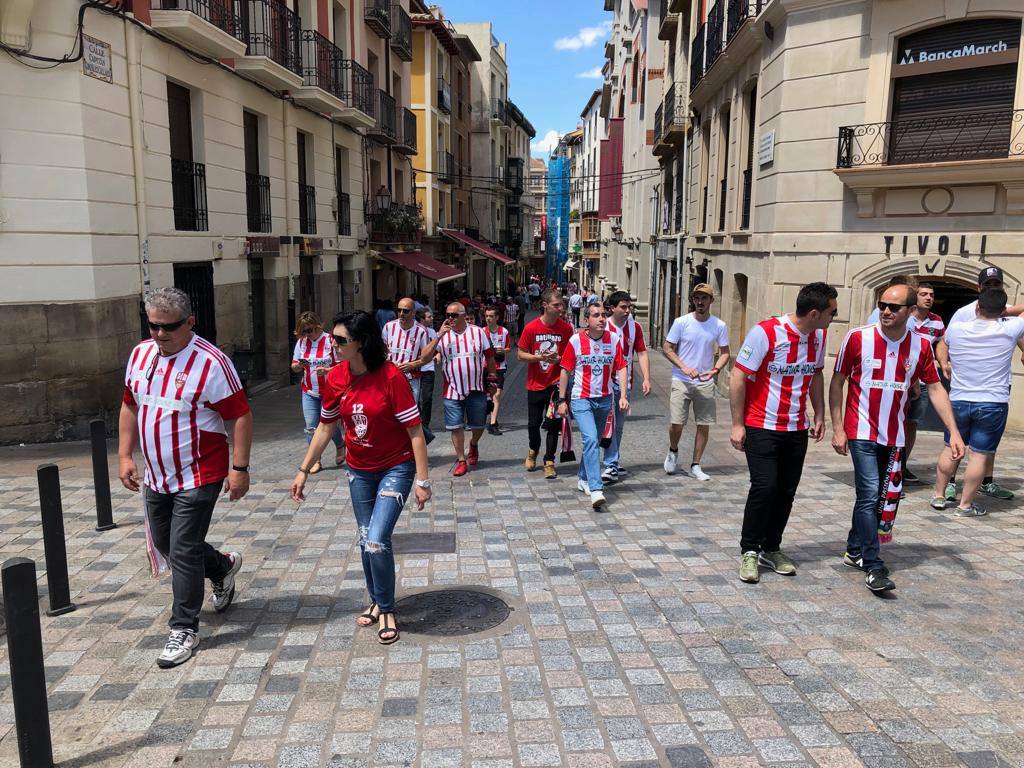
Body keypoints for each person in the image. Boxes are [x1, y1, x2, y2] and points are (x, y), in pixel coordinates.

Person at [118, 287, 251, 668]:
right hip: (157, 475)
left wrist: (239, 469)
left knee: (184, 548)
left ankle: (184, 628)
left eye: (170, 327)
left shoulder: (212, 363)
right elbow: (129, 404)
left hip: (200, 472)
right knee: (166, 543)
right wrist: (125, 454)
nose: (160, 334)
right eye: (154, 326)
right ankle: (223, 567)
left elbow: (240, 414)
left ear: (190, 322)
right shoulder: (141, 355)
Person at [291, 311, 430, 645]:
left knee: (377, 539)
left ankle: (386, 607)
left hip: (396, 466)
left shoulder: (391, 377)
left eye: (340, 340)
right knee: (365, 537)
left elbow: (415, 432)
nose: (333, 345)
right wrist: (303, 470)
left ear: (362, 342)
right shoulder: (335, 377)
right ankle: (376, 597)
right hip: (359, 470)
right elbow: (326, 426)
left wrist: (423, 481)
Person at [829, 284, 964, 594]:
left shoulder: (919, 345)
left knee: (874, 496)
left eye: (894, 307)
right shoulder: (858, 337)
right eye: (882, 305)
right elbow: (838, 382)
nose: (886, 311)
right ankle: (873, 564)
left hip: (895, 435)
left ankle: (853, 549)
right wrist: (838, 428)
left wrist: (954, 431)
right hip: (860, 429)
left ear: (911, 311)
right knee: (870, 494)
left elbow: (934, 388)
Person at [731, 283, 837, 584]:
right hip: (761, 425)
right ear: (815, 313)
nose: (834, 318)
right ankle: (749, 549)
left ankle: (771, 547)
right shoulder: (766, 333)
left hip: (795, 428)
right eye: (832, 312)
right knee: (765, 488)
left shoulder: (818, 336)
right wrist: (737, 424)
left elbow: (816, 375)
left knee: (786, 492)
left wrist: (819, 414)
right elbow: (739, 376)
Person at [931, 288, 1024, 517]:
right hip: (992, 402)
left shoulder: (956, 328)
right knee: (979, 455)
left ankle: (939, 496)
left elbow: (943, 344)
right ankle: (965, 505)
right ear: (1003, 311)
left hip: (959, 399)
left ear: (977, 307)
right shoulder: (1011, 327)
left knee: (949, 447)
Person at [557, 303, 629, 510]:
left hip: (605, 398)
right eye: (596, 315)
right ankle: (596, 489)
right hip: (581, 398)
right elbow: (565, 370)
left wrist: (623, 395)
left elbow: (622, 367)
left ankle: (582, 477)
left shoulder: (613, 340)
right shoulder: (576, 341)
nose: (601, 319)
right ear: (586, 320)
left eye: (603, 315)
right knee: (589, 438)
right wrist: (562, 400)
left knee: (595, 441)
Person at [662, 283, 731, 480]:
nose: (700, 302)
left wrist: (715, 370)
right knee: (677, 422)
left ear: (711, 301)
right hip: (681, 379)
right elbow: (667, 348)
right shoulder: (681, 322)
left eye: (704, 298)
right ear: (693, 300)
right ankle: (673, 450)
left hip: (705, 382)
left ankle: (696, 464)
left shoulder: (719, 325)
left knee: (704, 423)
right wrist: (683, 366)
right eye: (697, 298)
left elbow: (725, 352)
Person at [419, 302, 497, 476]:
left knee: (478, 425)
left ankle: (474, 444)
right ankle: (461, 460)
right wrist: (439, 335)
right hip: (452, 389)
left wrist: (492, 380)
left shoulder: (477, 332)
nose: (450, 318)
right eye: (448, 315)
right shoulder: (442, 336)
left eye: (454, 315)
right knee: (456, 426)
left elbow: (490, 358)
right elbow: (424, 357)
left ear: (463, 316)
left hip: (476, 387)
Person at [518, 288, 575, 479]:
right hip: (535, 384)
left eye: (561, 305)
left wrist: (559, 359)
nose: (560, 308)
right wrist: (537, 357)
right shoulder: (532, 327)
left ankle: (549, 460)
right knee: (533, 424)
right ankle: (533, 449)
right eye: (556, 305)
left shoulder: (566, 329)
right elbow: (520, 354)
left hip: (556, 384)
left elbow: (570, 357)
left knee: (553, 424)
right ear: (544, 305)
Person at [602, 291, 651, 483]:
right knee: (608, 425)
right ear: (612, 308)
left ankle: (612, 462)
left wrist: (646, 378)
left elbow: (642, 353)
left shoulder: (635, 327)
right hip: (604, 384)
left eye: (629, 307)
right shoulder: (603, 326)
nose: (627, 310)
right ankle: (611, 463)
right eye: (623, 307)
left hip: (625, 384)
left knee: (619, 426)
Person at [291, 312, 343, 474]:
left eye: (311, 330)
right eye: (305, 331)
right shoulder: (301, 343)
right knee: (311, 427)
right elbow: (293, 365)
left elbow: (344, 365)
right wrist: (298, 366)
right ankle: (316, 459)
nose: (308, 334)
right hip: (309, 391)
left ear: (318, 326)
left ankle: (340, 445)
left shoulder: (330, 340)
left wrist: (328, 370)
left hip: (330, 391)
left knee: (328, 424)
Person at [382, 297, 431, 403]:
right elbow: (382, 351)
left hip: (411, 379)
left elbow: (427, 358)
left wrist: (413, 365)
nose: (401, 313)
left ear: (413, 312)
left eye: (405, 311)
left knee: (410, 413)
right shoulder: (388, 327)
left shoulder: (421, 331)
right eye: (399, 310)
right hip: (390, 378)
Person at [485, 306, 512, 435]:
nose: (488, 319)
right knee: (489, 395)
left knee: (497, 395)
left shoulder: (504, 331)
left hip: (500, 366)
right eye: (486, 316)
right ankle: (491, 417)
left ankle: (492, 423)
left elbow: (508, 348)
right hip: (485, 367)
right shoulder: (481, 332)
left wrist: (503, 350)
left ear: (496, 317)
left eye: (491, 316)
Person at [417, 308, 438, 429]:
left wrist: (438, 354)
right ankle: (418, 421)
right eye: (429, 317)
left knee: (427, 397)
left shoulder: (432, 332)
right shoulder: (415, 331)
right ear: (422, 319)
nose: (432, 318)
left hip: (429, 369)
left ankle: (425, 424)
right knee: (415, 397)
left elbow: (436, 347)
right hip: (416, 369)